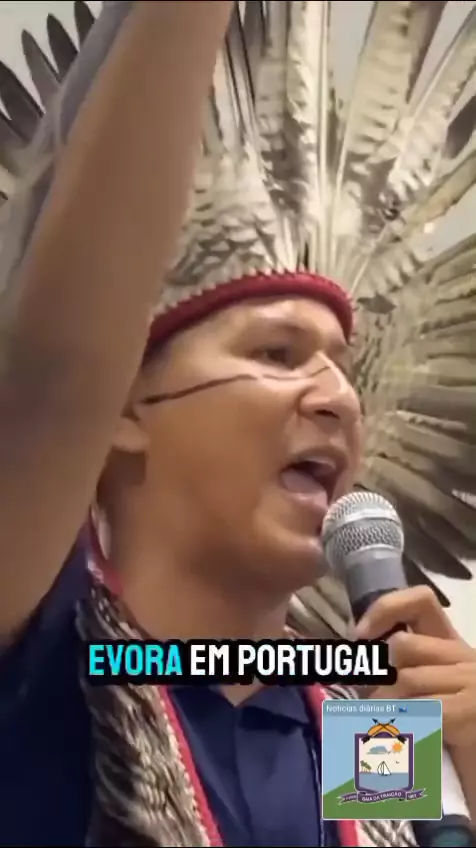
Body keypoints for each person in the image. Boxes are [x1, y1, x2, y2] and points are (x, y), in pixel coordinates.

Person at [1, 1, 476, 846]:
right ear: (123, 408)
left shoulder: (360, 722)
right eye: (278, 353)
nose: (339, 398)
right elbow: (56, 378)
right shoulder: (42, 650)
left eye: (345, 369)